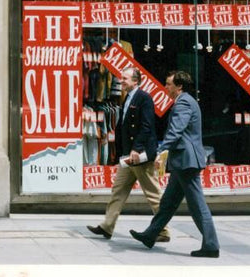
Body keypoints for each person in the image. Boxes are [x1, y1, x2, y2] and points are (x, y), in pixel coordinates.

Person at [129, 70, 220, 258]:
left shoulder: (184, 102)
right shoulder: (182, 101)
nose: (165, 87)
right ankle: (150, 235)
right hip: (182, 162)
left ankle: (211, 245)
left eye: (169, 84)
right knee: (168, 203)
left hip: (187, 161)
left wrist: (162, 150)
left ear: (179, 86)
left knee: (197, 206)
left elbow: (176, 130)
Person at [87, 66, 171, 243]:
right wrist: (121, 152)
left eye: (125, 78)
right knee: (118, 191)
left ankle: (163, 231)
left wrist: (136, 148)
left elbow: (147, 126)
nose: (121, 81)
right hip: (129, 157)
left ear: (135, 81)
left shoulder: (144, 98)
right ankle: (107, 226)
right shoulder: (127, 98)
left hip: (140, 157)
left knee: (153, 195)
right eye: (121, 78)